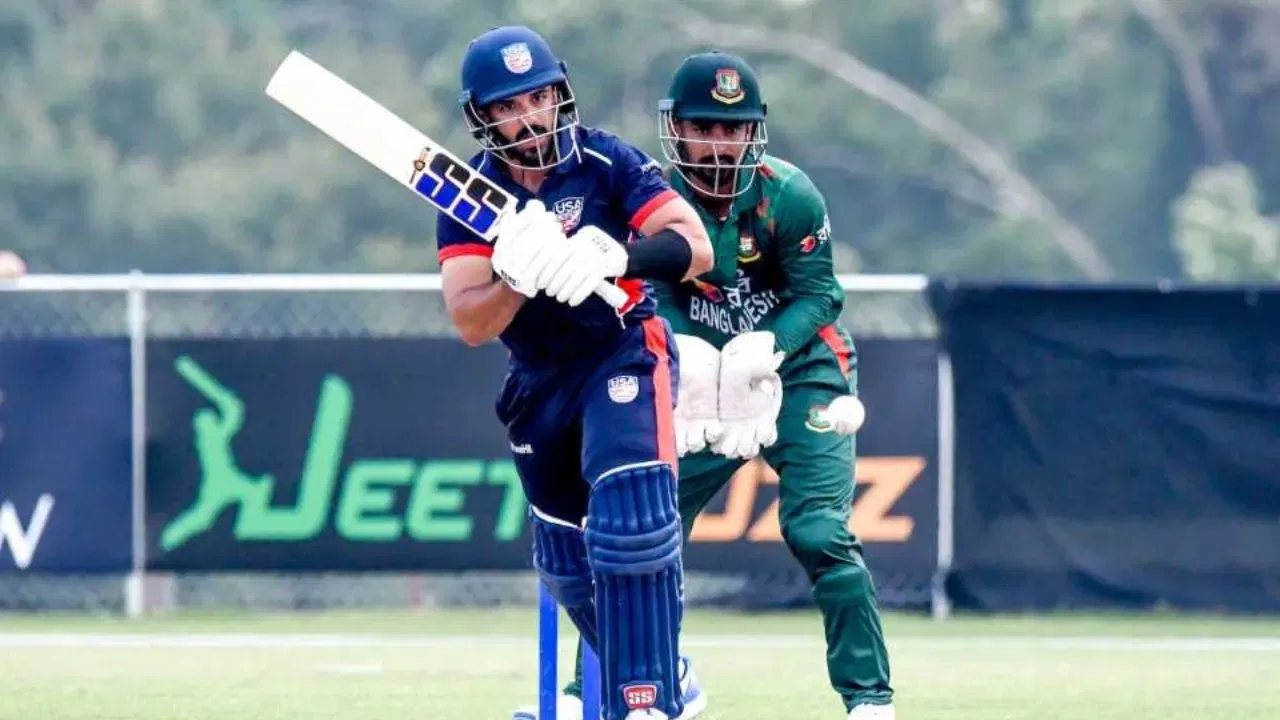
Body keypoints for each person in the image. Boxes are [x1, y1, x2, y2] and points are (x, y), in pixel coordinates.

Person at [549, 50, 898, 720]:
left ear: (754, 133)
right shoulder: (648, 203)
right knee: (638, 533)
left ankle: (869, 703)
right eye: (704, 126)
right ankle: (601, 686)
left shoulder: (788, 195)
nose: (720, 143)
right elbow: (649, 293)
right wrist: (689, 357)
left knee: (820, 531)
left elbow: (821, 296)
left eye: (733, 129)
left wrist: (767, 345)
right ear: (675, 129)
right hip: (698, 380)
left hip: (799, 371)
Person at [435, 26, 717, 720]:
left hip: (621, 348)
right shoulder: (469, 195)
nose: (530, 116)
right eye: (510, 105)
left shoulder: (605, 161)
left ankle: (645, 702)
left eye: (540, 96)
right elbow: (471, 321)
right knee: (568, 564)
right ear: (485, 117)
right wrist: (517, 278)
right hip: (538, 378)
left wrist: (614, 257)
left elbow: (696, 247)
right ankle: (666, 674)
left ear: (561, 92)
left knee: (631, 524)